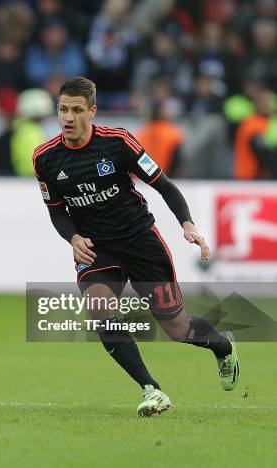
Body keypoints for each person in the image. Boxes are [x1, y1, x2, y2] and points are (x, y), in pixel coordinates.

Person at [33, 77, 239, 416]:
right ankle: (152, 390)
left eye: (76, 110)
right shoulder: (45, 158)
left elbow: (165, 186)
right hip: (98, 250)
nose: (68, 118)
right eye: (62, 109)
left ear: (92, 111)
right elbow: (56, 211)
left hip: (141, 242)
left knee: (177, 329)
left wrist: (187, 224)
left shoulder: (118, 144)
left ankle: (222, 346)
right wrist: (72, 237)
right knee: (99, 306)